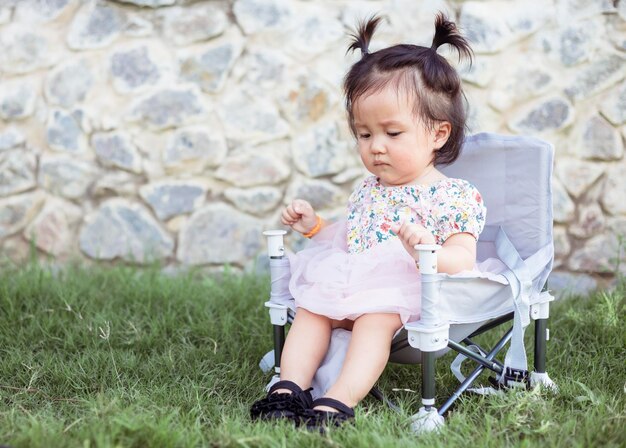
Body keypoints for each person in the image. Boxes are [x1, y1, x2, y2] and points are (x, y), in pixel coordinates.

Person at [251, 12, 486, 429]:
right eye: (364, 134)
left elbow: (463, 257)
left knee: (374, 322)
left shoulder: (453, 196)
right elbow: (353, 237)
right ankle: (289, 387)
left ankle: (337, 401)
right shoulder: (367, 188)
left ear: (438, 134)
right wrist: (315, 228)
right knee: (312, 310)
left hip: (403, 293)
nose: (376, 147)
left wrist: (425, 251)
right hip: (349, 282)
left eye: (392, 134)